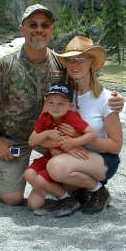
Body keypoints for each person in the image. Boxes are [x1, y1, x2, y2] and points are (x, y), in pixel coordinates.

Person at [0, 4, 124, 206]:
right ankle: (66, 185)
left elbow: (84, 83)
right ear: (22, 29)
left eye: (45, 25)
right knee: (13, 199)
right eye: (33, 24)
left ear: (51, 29)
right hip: (12, 139)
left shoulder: (59, 64)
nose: (39, 30)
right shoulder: (2, 63)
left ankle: (86, 188)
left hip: (50, 136)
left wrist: (115, 100)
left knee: (43, 191)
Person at [45, 36, 123, 214]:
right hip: (74, 157)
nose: (75, 64)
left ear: (91, 62)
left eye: (81, 59)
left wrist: (79, 137)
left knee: (56, 168)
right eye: (70, 60)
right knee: (37, 199)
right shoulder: (64, 96)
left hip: (103, 160)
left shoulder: (106, 99)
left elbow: (116, 146)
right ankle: (81, 190)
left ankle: (99, 190)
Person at [24, 82, 98, 215]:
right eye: (50, 102)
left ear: (71, 105)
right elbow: (31, 142)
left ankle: (68, 199)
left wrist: (73, 142)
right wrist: (46, 134)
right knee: (29, 174)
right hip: (51, 157)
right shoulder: (45, 118)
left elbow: (92, 134)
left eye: (61, 103)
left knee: (41, 179)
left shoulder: (71, 117)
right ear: (45, 104)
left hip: (67, 162)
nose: (55, 107)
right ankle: (52, 199)